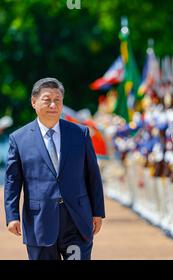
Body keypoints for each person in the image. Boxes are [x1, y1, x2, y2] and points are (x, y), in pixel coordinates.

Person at [4, 77, 105, 260]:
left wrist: (98, 211)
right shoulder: (19, 139)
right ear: (34, 102)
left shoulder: (80, 134)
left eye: (57, 100)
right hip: (39, 223)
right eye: (47, 100)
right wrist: (12, 216)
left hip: (77, 219)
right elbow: (13, 180)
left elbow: (92, 175)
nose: (53, 105)